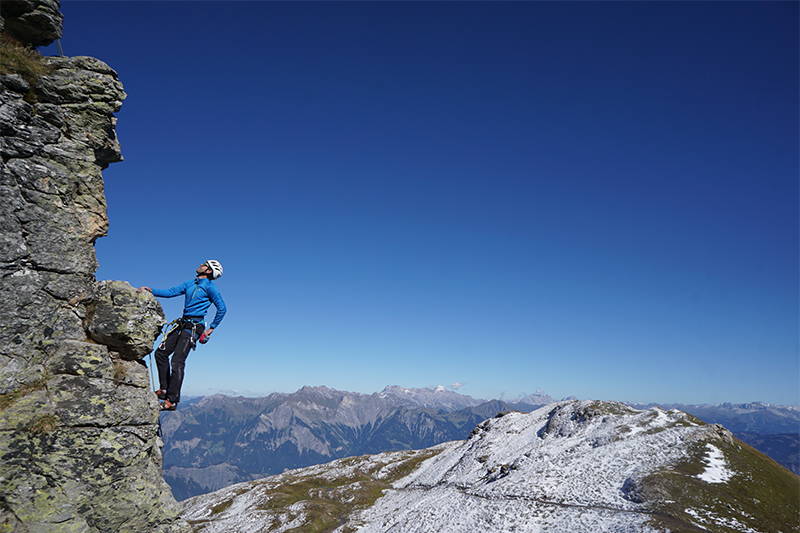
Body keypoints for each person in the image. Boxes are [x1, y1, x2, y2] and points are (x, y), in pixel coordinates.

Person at [140, 260, 227, 411]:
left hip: (194, 327)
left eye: (205, 264)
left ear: (208, 271)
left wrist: (211, 328)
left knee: (177, 361)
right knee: (160, 353)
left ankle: (172, 401)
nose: (201, 264)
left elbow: (222, 308)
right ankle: (165, 389)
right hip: (183, 324)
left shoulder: (211, 288)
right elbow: (171, 292)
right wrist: (151, 290)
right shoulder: (190, 283)